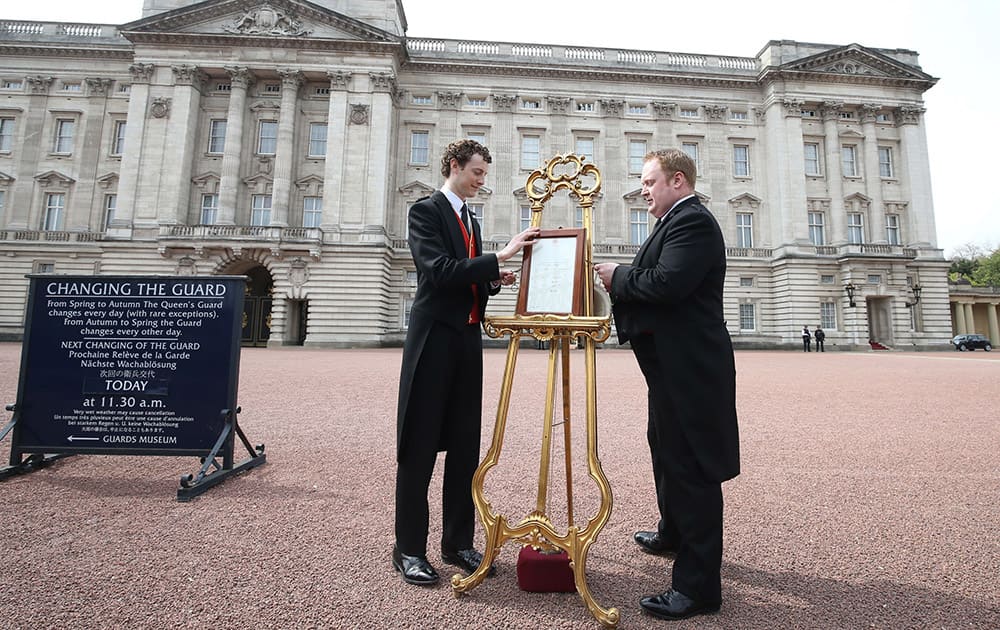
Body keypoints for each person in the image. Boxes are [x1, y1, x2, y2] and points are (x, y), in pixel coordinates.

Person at [594, 149, 739, 621]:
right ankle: (673, 533)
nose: (643, 190)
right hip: (671, 367)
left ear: (678, 181)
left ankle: (697, 589)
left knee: (690, 468)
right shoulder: (672, 222)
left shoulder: (692, 222)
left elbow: (667, 284)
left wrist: (618, 277)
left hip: (690, 369)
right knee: (664, 447)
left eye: (650, 181)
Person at [393, 139, 541, 586]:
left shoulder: (470, 218)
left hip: (465, 340)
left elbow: (466, 277)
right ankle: (408, 549)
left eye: (483, 174)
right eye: (477, 173)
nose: (481, 181)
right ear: (455, 166)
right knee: (418, 448)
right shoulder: (426, 211)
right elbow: (437, 271)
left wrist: (493, 278)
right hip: (433, 340)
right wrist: (500, 256)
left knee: (463, 449)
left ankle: (456, 542)